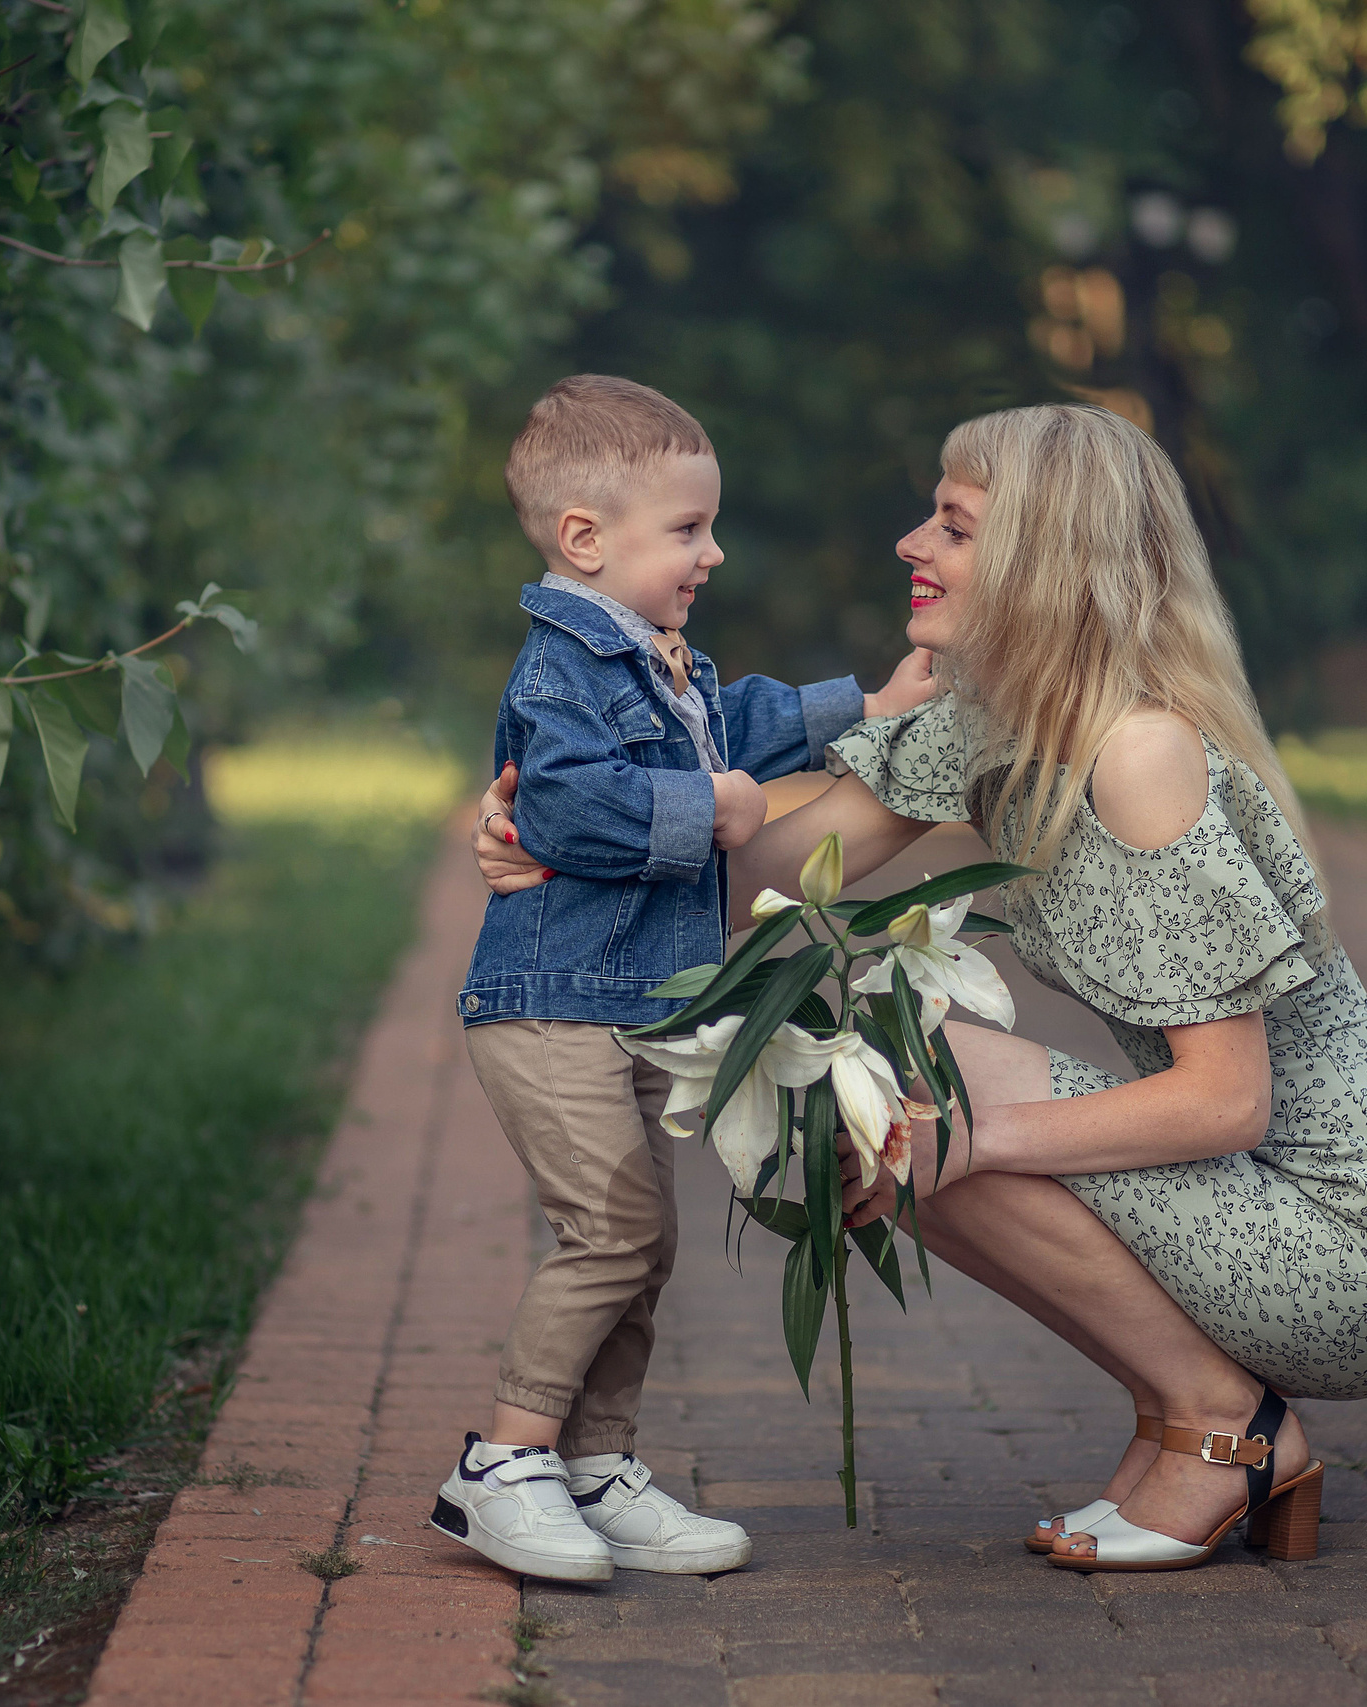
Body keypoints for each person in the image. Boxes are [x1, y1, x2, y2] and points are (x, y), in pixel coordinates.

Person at [473, 402, 1367, 1572]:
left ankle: (1224, 1426)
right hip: (1231, 1197)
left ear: (1041, 559)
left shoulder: (1139, 749)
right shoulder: (991, 722)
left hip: (1337, 1249)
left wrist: (968, 1144)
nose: (910, 545)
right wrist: (553, 836)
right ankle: (1180, 1418)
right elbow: (761, 880)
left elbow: (1226, 1103)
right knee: (886, 1069)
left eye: (952, 524)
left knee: (912, 1096)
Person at [436, 374, 938, 1582]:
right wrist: (701, 809)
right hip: (549, 1005)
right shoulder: (562, 670)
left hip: (621, 1002)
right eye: (688, 530)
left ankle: (595, 1466)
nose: (712, 552)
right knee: (605, 1233)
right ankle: (501, 1466)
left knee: (639, 1244)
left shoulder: (655, 658)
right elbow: (564, 802)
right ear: (583, 539)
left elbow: (741, 718)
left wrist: (867, 706)